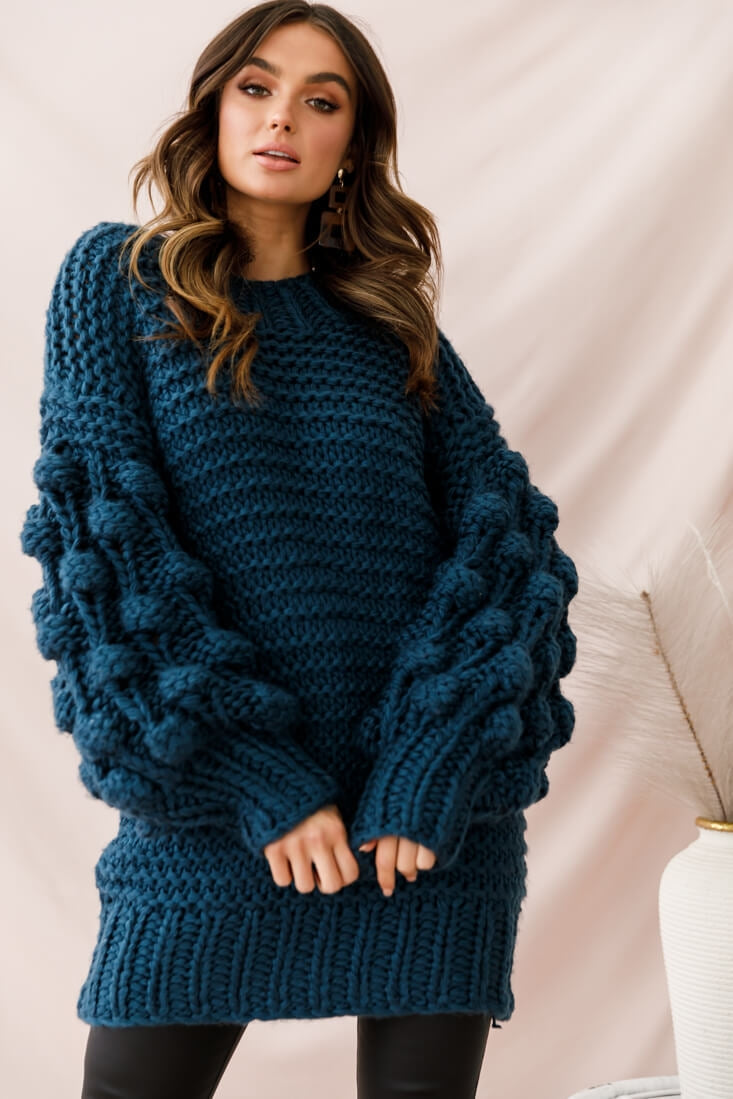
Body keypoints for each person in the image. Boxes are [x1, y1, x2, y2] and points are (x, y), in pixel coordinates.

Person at [19, 2, 579, 1097]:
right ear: (213, 111)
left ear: (350, 149)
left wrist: (427, 764)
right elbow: (103, 554)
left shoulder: (392, 327)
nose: (282, 117)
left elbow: (512, 558)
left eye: (322, 102)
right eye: (256, 87)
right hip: (213, 804)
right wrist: (258, 776)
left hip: (418, 831)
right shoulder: (116, 283)